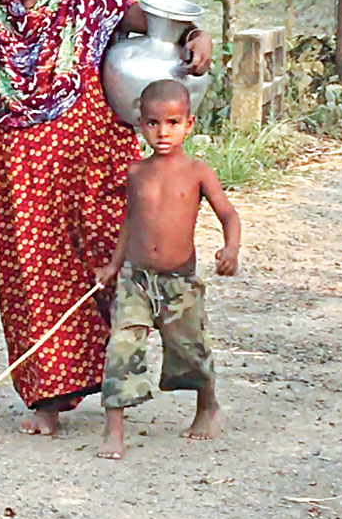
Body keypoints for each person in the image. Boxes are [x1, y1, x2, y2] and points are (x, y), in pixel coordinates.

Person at [0, 0, 211, 435]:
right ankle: (49, 401)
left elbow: (164, 29)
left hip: (95, 162)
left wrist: (197, 36)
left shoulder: (92, 4)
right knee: (35, 280)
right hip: (24, 174)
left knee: (120, 270)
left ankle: (169, 378)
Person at [93, 79, 241, 460]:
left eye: (173, 123)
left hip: (179, 281)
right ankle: (114, 428)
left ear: (189, 124)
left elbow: (227, 213)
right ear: (140, 124)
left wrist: (231, 248)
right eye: (154, 123)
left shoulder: (197, 172)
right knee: (121, 346)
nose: (163, 132)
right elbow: (130, 220)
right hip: (136, 280)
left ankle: (208, 404)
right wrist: (113, 263)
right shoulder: (136, 172)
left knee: (190, 348)